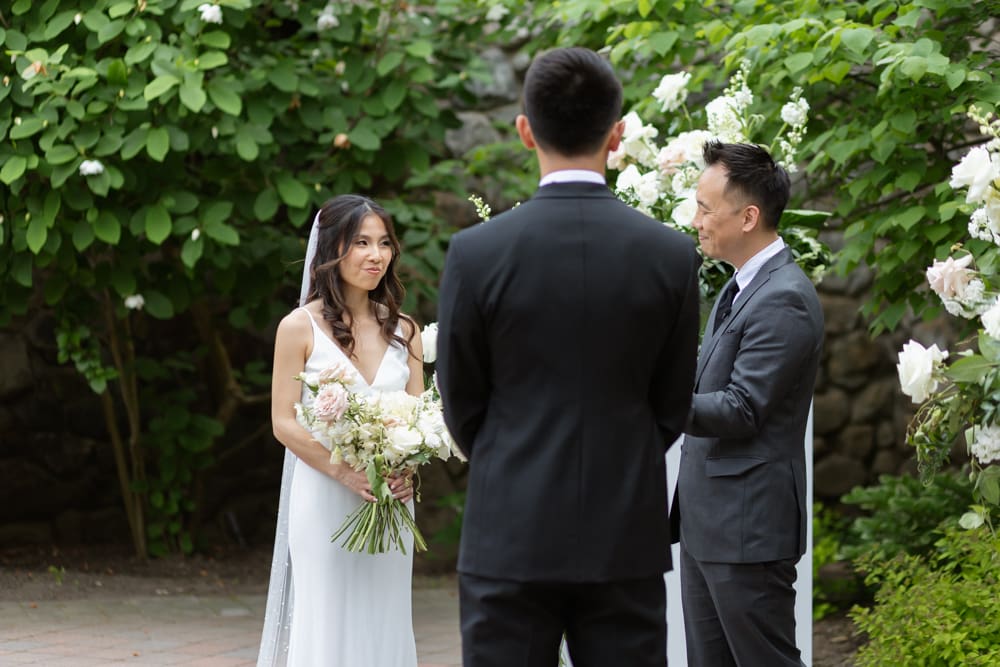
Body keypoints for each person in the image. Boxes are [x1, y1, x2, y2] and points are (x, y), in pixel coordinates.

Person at [435, 47, 702, 667]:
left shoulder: (477, 253)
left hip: (509, 530)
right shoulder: (669, 255)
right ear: (617, 134)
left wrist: (509, 456)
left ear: (525, 129)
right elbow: (670, 404)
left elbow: (462, 400)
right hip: (626, 531)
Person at [672, 141, 824, 666]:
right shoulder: (740, 286)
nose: (696, 220)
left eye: (705, 208)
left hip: (747, 530)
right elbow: (703, 376)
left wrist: (650, 398)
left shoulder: (784, 297)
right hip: (708, 524)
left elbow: (741, 408)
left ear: (749, 216)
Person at [257, 194, 425, 666]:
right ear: (332, 249)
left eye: (384, 243)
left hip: (390, 501)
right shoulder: (298, 327)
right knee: (327, 618)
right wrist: (345, 471)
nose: (376, 255)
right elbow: (283, 421)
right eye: (362, 243)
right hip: (325, 497)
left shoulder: (406, 331)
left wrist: (409, 469)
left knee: (385, 617)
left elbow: (418, 417)